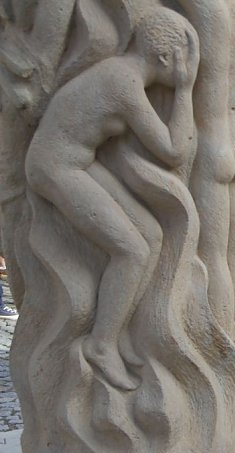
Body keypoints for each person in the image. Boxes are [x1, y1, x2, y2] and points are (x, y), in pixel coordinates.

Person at [24, 8, 199, 390]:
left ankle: (115, 332)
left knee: (151, 235)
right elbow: (173, 151)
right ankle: (101, 345)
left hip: (78, 162)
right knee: (131, 251)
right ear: (167, 57)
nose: (189, 68)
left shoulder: (122, 73)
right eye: (188, 59)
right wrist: (184, 90)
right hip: (55, 167)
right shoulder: (123, 82)